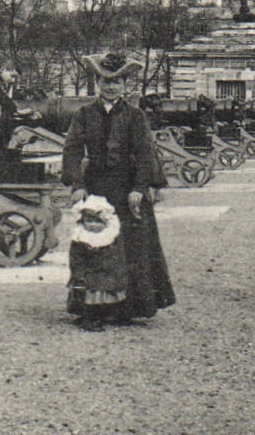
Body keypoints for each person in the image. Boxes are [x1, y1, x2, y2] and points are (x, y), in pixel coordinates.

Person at [60, 51, 175, 331]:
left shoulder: (135, 116)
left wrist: (139, 187)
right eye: (106, 80)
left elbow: (146, 153)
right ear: (98, 82)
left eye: (118, 81)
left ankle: (126, 307)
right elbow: (73, 149)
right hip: (96, 190)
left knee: (132, 249)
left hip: (127, 191)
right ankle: (91, 311)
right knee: (94, 247)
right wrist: (78, 185)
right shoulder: (84, 114)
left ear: (125, 85)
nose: (112, 86)